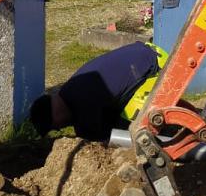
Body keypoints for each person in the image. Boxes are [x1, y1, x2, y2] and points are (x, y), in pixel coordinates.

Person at [29, 41, 167, 140]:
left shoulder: (82, 101)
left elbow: (97, 136)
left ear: (56, 114)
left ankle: (175, 147)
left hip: (155, 67)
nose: (60, 129)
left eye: (55, 126)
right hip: (146, 52)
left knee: (131, 134)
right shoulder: (69, 91)